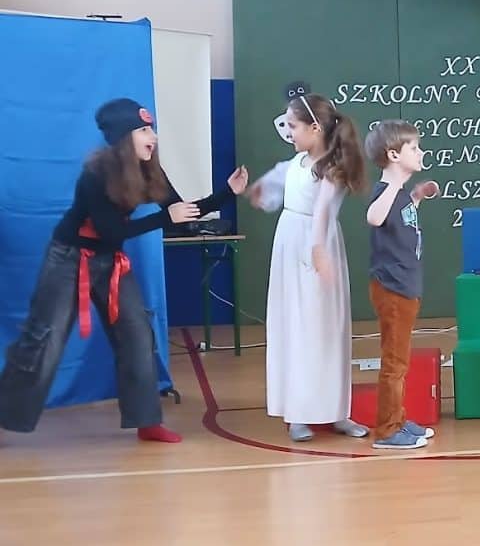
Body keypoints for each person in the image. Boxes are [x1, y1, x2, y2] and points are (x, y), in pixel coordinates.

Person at [0, 98, 247, 442]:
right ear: (122, 136)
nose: (153, 137)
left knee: (137, 335)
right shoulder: (95, 175)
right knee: (44, 341)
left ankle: (147, 421)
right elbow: (111, 230)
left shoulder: (149, 169)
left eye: (152, 129)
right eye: (144, 130)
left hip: (110, 260)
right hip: (70, 259)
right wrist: (164, 218)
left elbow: (181, 213)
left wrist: (226, 194)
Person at [249, 93, 369, 443]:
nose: (287, 132)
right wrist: (255, 192)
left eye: (293, 126)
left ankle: (336, 410)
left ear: (315, 129)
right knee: (295, 326)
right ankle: (298, 412)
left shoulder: (332, 168)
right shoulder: (296, 162)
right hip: (290, 242)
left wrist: (318, 250)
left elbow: (322, 212)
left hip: (317, 243)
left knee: (323, 328)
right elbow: (271, 192)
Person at [364, 120, 439, 450]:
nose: (420, 152)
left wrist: (417, 196)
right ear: (393, 155)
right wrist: (396, 185)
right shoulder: (386, 191)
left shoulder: (400, 195)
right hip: (393, 287)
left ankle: (397, 418)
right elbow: (374, 217)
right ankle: (387, 430)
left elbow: (400, 219)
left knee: (400, 360)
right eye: (414, 148)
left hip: (405, 286)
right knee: (394, 363)